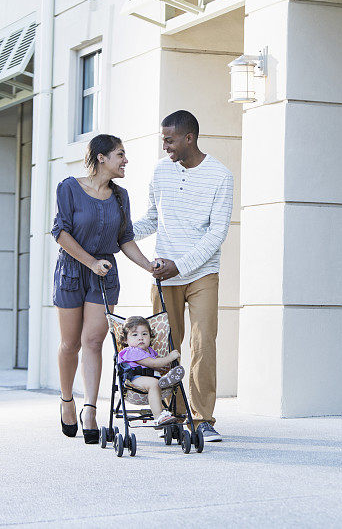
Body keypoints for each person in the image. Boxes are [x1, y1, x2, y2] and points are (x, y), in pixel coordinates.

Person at [133, 110, 233, 442]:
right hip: (165, 275)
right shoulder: (161, 171)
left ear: (188, 138)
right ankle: (174, 416)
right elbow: (151, 218)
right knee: (166, 346)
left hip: (202, 272)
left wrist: (182, 264)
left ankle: (202, 419)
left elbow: (217, 234)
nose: (165, 146)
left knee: (203, 343)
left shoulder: (221, 176)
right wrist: (118, 234)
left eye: (169, 139)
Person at [53, 134, 158, 444]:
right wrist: (89, 262)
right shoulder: (69, 188)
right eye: (120, 155)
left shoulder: (121, 197)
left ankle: (89, 410)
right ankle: (66, 401)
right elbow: (60, 232)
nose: (125, 161)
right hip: (73, 271)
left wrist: (148, 265)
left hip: (104, 275)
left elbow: (125, 238)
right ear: (101, 157)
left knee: (94, 340)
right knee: (70, 344)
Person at [117, 316, 184, 427]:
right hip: (134, 379)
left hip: (150, 377)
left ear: (150, 336)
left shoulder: (150, 351)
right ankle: (158, 416)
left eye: (144, 334)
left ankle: (165, 381)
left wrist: (160, 368)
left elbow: (153, 365)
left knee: (155, 381)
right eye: (135, 335)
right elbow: (153, 363)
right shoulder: (131, 351)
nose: (141, 338)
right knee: (154, 383)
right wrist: (170, 358)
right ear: (125, 340)